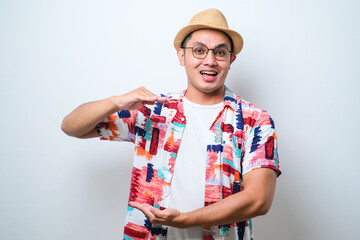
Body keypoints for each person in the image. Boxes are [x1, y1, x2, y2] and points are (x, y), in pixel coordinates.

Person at [61, 8, 281, 240]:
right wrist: (116, 102)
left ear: (230, 60)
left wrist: (184, 220)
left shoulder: (254, 120)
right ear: (181, 56)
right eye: (199, 51)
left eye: (220, 53)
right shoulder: (155, 112)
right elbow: (72, 126)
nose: (210, 61)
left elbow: (259, 200)